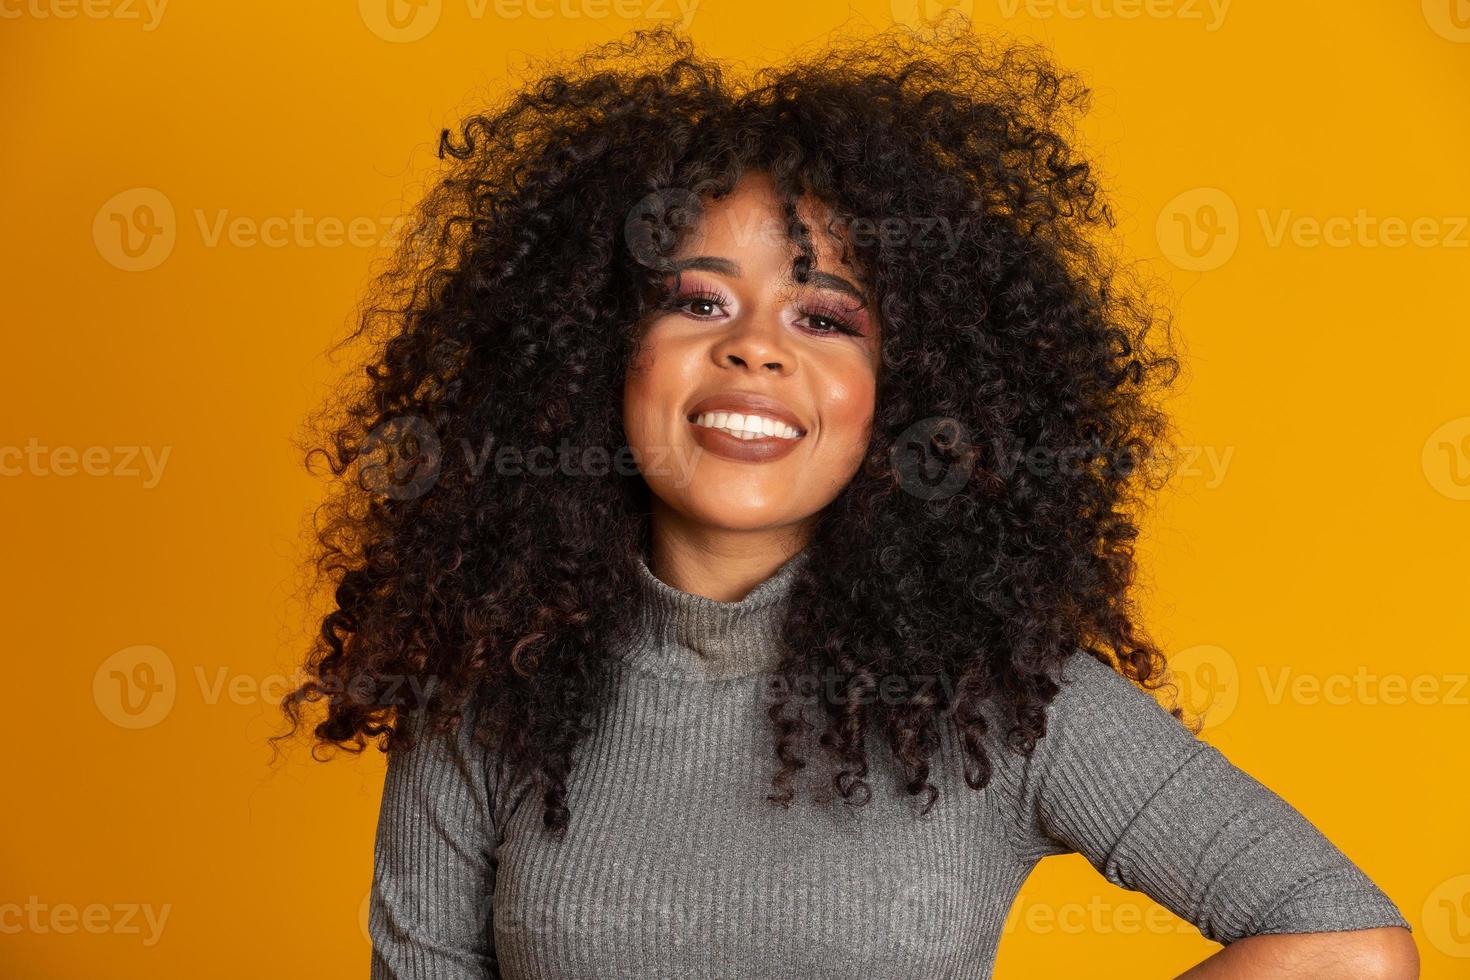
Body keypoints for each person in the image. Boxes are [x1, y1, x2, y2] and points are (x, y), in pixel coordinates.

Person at [274, 17, 1417, 979]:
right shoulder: (486, 690)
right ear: (595, 357)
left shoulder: (1008, 698)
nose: (759, 352)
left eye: (825, 319)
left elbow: (1346, 945)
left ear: (900, 397)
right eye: (699, 303)